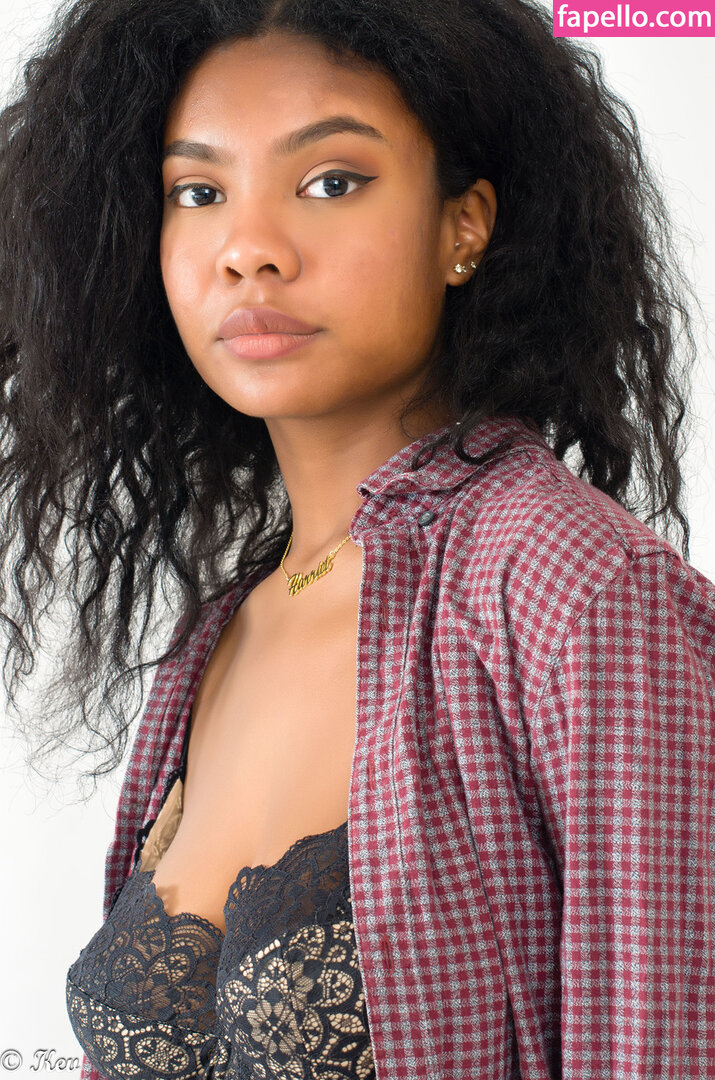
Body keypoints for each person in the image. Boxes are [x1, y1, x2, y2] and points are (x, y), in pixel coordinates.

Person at [0, 0, 712, 1077]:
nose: (249, 249)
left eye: (331, 181)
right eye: (198, 192)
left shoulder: (573, 587)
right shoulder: (219, 634)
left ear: (463, 226)